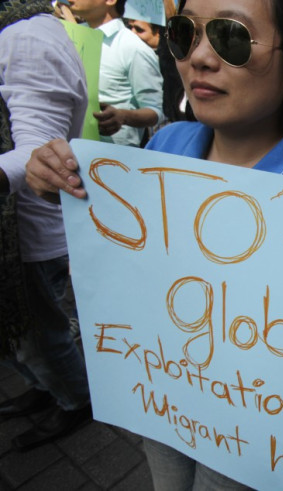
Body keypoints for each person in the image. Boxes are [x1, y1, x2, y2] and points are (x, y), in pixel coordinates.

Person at [26, 0, 283, 487]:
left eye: (231, 37)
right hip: (162, 391)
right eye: (184, 34)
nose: (199, 57)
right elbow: (118, 242)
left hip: (256, 418)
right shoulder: (166, 145)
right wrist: (61, 185)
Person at [0, 2, 91, 451]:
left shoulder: (26, 38)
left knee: (41, 335)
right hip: (21, 234)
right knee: (21, 338)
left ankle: (74, 400)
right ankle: (46, 388)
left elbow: (39, 149)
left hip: (32, 236)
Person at [68, 0, 164, 146]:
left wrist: (123, 116)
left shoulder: (132, 48)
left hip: (111, 159)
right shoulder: (68, 37)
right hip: (67, 150)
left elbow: (155, 111)